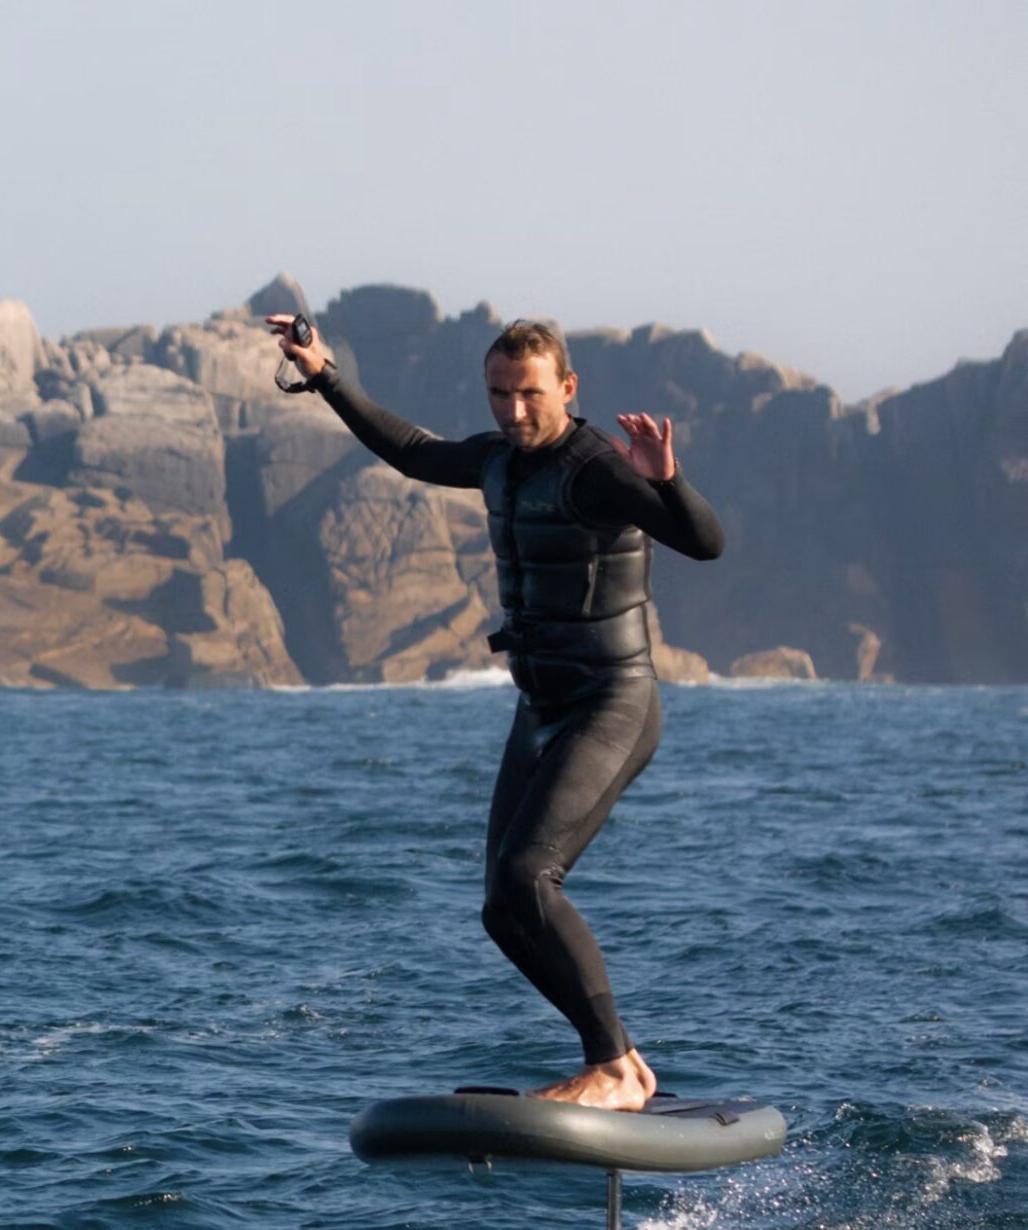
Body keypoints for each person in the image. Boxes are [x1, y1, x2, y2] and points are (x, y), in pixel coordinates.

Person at [270, 313, 725, 1110]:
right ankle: (626, 1064)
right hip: (539, 707)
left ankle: (611, 1068)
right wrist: (324, 372)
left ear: (567, 389)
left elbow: (706, 542)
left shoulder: (598, 472)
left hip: (611, 701)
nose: (514, 412)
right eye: (499, 394)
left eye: (530, 394)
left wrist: (665, 479)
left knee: (527, 875)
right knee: (501, 908)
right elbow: (408, 449)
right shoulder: (496, 464)